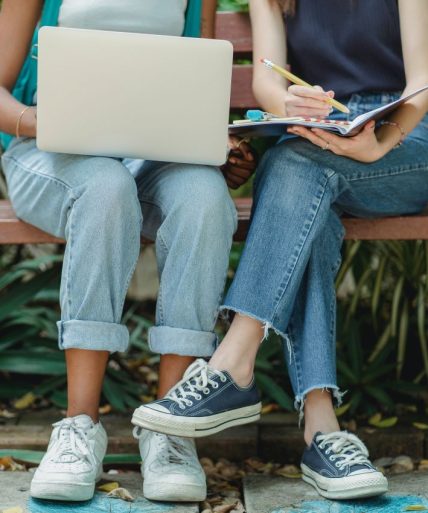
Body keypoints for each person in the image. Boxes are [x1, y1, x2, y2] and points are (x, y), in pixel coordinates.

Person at [136, 0, 428, 501]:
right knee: (304, 196)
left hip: (405, 138)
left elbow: (421, 84)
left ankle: (232, 362)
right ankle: (322, 433)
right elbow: (269, 81)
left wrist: (380, 140)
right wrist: (290, 104)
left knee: (295, 169)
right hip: (321, 137)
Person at [0, 0, 256, 503]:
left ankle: (171, 430)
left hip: (153, 154)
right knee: (105, 189)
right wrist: (45, 121)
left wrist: (218, 149)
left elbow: (193, 92)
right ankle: (79, 427)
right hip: (48, 152)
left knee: (205, 198)